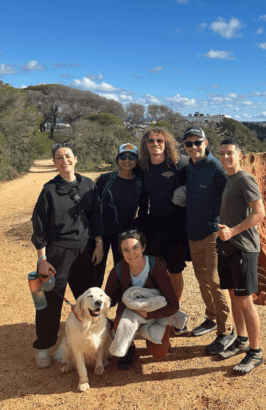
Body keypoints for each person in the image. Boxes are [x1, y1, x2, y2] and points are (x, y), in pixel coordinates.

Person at [31, 142, 104, 369]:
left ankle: (92, 344)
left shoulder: (88, 185)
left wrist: (99, 243)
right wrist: (42, 259)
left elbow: (97, 217)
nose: (65, 161)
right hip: (57, 253)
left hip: (85, 251)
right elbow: (39, 226)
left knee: (89, 301)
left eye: (68, 156)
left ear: (76, 159)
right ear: (54, 163)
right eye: (59, 158)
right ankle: (43, 346)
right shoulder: (49, 190)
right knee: (49, 302)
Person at [182, 126, 234, 355]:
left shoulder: (216, 168)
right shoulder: (189, 167)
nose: (193, 147)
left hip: (212, 232)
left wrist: (228, 228)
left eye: (197, 142)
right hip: (193, 232)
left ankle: (226, 331)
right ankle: (211, 317)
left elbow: (231, 197)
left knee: (215, 280)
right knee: (201, 278)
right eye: (189, 143)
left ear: (206, 142)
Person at [216, 138, 266, 373]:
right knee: (234, 295)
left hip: (244, 247)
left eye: (230, 153)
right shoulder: (229, 179)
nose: (226, 157)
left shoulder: (244, 178)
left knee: (245, 300)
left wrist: (233, 231)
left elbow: (259, 213)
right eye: (222, 153)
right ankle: (241, 340)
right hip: (227, 246)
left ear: (240, 155)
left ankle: (255, 353)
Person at [105, 230, 181, 370]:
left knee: (159, 353)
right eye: (126, 250)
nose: (131, 254)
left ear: (143, 248)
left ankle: (159, 334)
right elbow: (108, 299)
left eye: (135, 248)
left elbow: (173, 306)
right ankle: (130, 347)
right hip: (130, 311)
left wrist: (147, 314)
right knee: (119, 323)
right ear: (121, 252)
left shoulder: (156, 266)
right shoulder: (118, 270)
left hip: (154, 312)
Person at [137, 128, 188, 309]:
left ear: (166, 143)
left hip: (177, 227)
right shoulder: (142, 167)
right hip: (153, 226)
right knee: (157, 272)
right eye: (151, 141)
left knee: (175, 273)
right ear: (145, 144)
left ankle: (175, 308)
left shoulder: (179, 163)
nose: (155, 144)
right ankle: (159, 307)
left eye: (160, 141)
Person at [94, 143, 143, 287]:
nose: (127, 160)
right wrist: (96, 237)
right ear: (117, 159)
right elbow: (94, 207)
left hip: (124, 236)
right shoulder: (105, 180)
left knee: (124, 272)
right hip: (102, 233)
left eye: (131, 157)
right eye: (123, 157)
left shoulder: (139, 184)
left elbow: (143, 211)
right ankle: (94, 306)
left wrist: (134, 234)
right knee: (96, 270)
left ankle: (123, 304)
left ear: (137, 161)